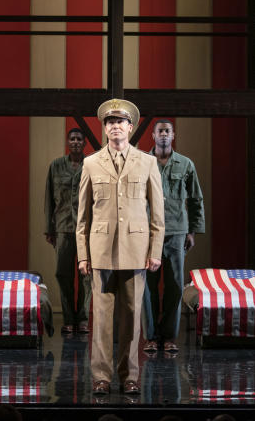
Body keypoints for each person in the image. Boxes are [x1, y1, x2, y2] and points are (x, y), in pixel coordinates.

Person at [76, 99, 164, 396]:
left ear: (130, 127)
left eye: (120, 122)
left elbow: (158, 215)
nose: (114, 126)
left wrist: (155, 251)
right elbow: (82, 216)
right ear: (105, 129)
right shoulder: (91, 163)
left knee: (132, 318)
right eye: (109, 122)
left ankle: (130, 376)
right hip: (100, 251)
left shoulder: (148, 162)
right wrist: (82, 255)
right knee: (101, 321)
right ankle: (101, 376)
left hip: (135, 250)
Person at [142, 119, 205, 353]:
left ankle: (168, 337)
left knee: (175, 285)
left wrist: (192, 230)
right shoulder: (144, 163)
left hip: (177, 231)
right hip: (149, 232)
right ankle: (150, 336)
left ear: (173, 135)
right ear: (153, 135)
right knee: (147, 286)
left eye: (168, 131)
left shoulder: (185, 164)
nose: (164, 135)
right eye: (160, 131)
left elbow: (196, 199)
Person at [44, 128, 91, 334]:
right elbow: (48, 198)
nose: (75, 142)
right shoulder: (56, 166)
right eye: (71, 139)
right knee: (63, 274)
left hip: (87, 229)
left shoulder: (92, 165)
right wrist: (49, 228)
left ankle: (82, 319)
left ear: (84, 143)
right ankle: (68, 319)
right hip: (63, 227)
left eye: (79, 139)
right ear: (67, 142)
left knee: (86, 276)